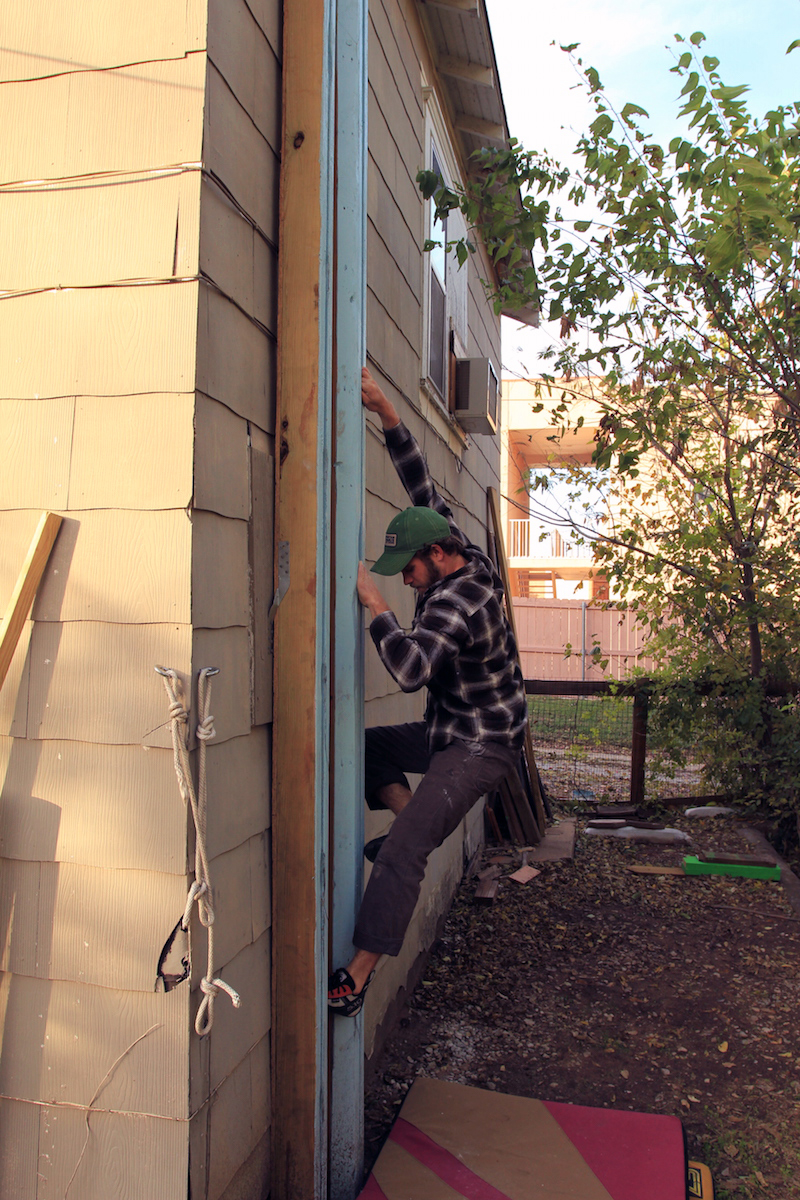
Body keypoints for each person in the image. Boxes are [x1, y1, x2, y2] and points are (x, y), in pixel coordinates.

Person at [327, 368, 527, 1017]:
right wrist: (386, 408)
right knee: (367, 752)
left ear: (437, 557)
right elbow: (421, 483)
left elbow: (411, 669)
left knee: (406, 851)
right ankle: (406, 823)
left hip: (481, 746)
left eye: (410, 569)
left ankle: (357, 977)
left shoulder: (458, 600)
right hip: (448, 728)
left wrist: (375, 606)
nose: (407, 580)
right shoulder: (456, 548)